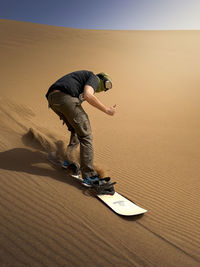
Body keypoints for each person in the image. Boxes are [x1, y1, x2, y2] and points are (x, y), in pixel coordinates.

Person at [46, 70, 116, 187]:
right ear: (102, 79)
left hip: (53, 99)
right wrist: (107, 110)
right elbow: (89, 95)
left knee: (76, 129)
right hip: (64, 97)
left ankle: (69, 159)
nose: (105, 90)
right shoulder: (93, 78)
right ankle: (89, 176)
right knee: (86, 136)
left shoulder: (82, 84)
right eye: (107, 85)